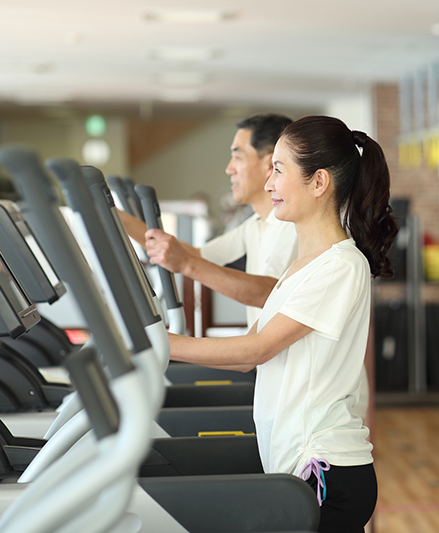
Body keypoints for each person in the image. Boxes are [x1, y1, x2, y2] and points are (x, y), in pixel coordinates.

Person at [163, 115, 398, 532]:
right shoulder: (301, 266)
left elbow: (256, 350)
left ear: (318, 181)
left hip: (325, 472)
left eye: (278, 169)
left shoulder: (341, 266)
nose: (269, 183)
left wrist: (160, 345)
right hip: (295, 464)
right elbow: (244, 357)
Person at [120, 113, 297, 327]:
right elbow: (193, 255)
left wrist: (187, 265)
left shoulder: (291, 224)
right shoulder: (254, 225)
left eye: (238, 157)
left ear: (270, 163)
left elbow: (268, 292)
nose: (229, 168)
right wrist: (120, 220)